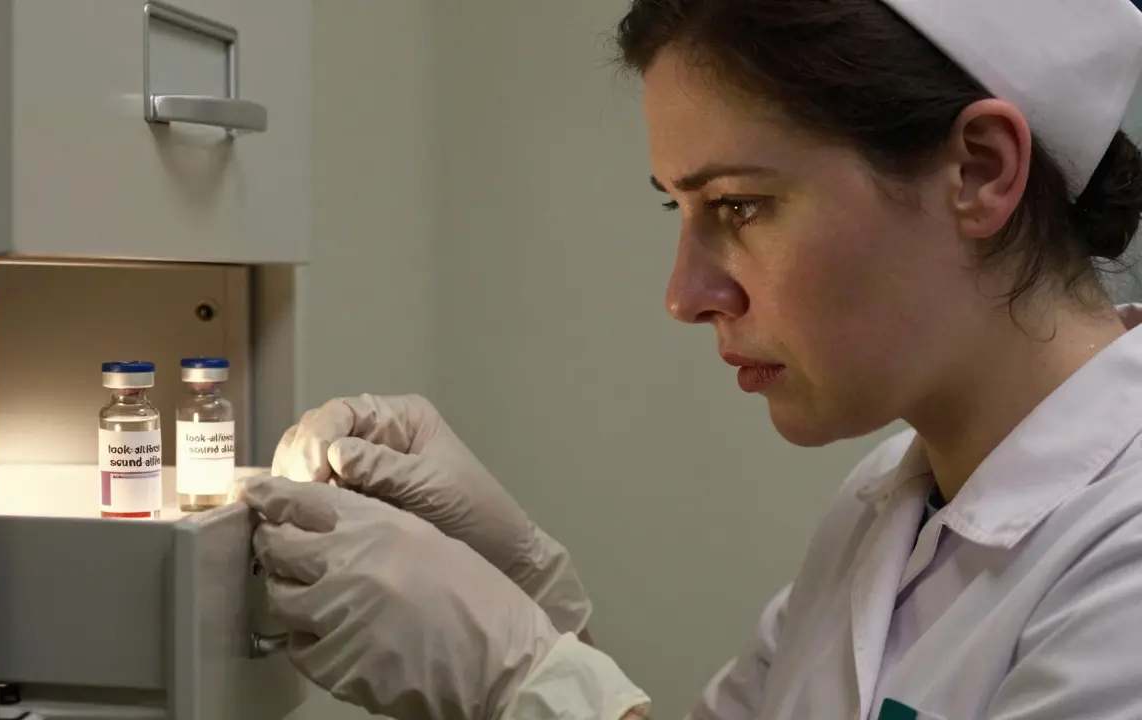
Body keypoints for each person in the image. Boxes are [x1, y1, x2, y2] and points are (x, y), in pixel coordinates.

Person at [240, 0, 1142, 718]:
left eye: (741, 206)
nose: (686, 294)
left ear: (979, 171)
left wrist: (522, 684)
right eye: (678, 208)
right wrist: (541, 612)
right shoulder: (890, 510)